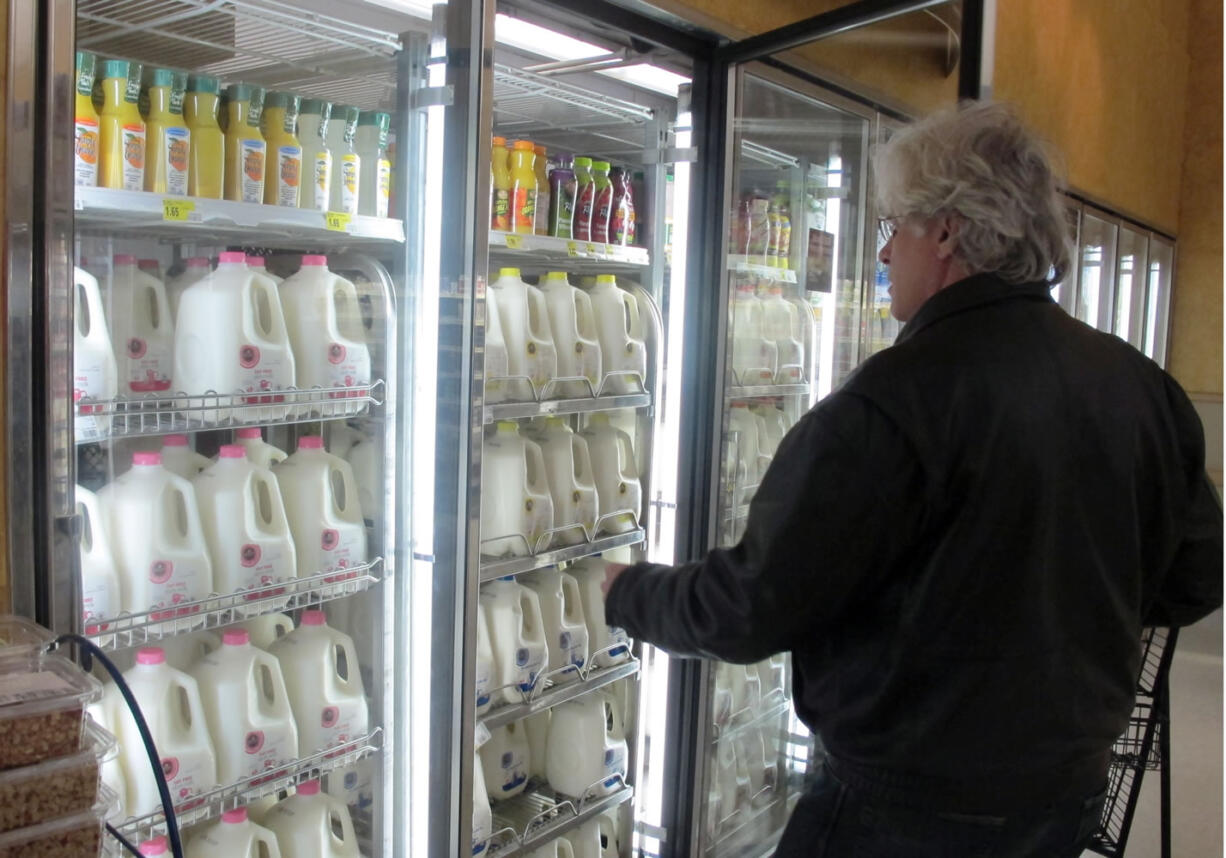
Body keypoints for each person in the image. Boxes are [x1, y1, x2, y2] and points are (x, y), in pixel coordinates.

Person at [601, 101, 1223, 857]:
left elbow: (753, 606)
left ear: (949, 231)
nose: (886, 253)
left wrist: (627, 593)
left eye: (896, 226)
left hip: (905, 814)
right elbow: (1196, 580)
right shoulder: (1138, 386)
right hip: (1062, 797)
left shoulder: (893, 403)